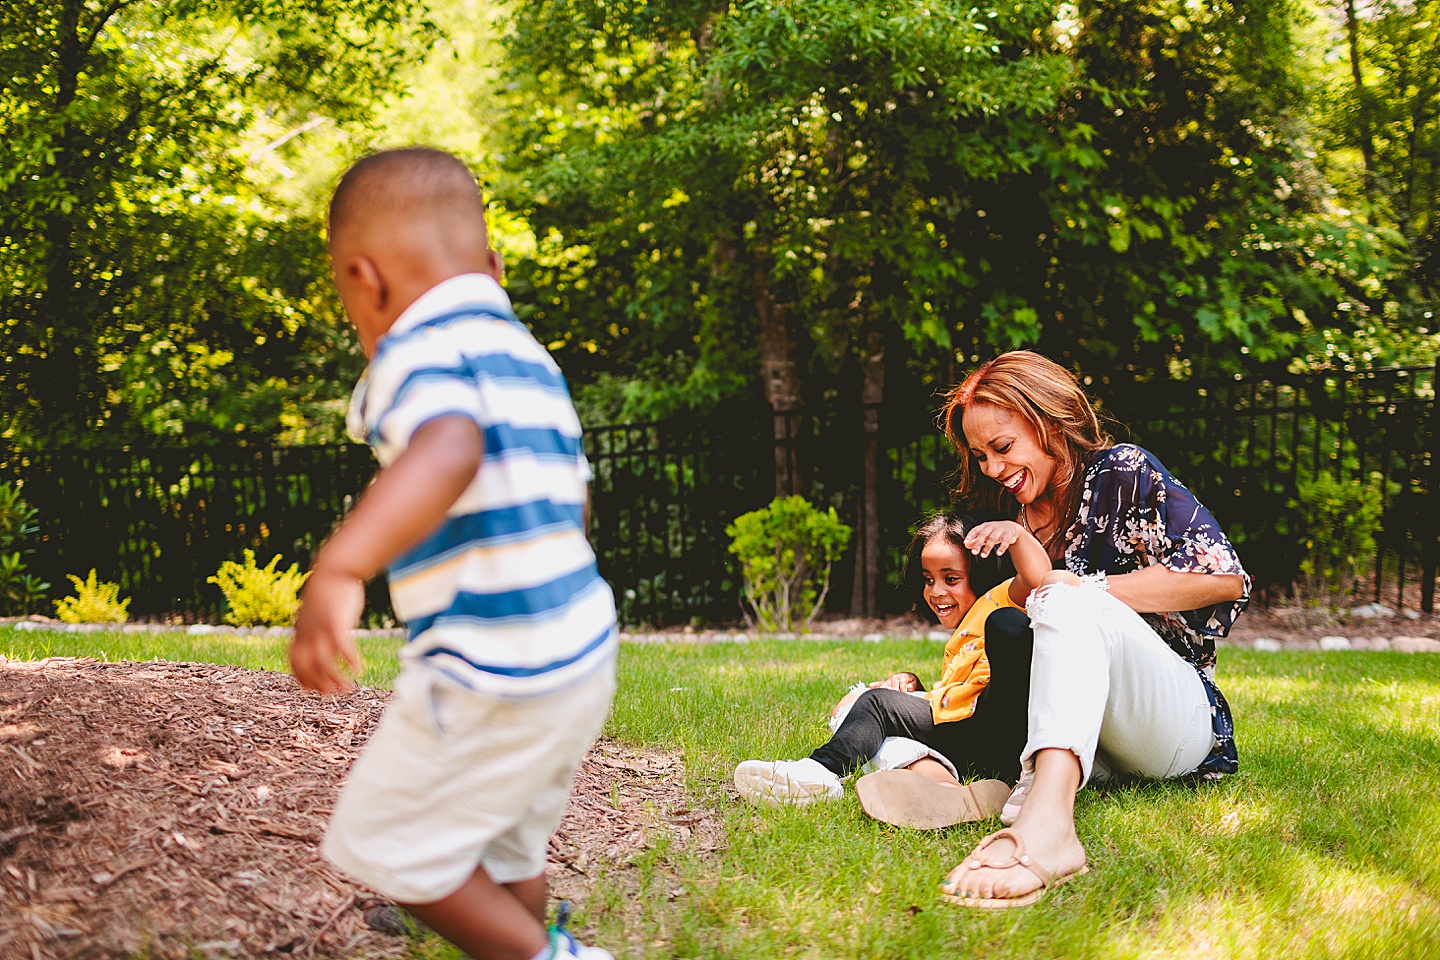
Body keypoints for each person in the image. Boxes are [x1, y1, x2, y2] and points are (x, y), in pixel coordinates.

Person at [288, 148, 618, 960]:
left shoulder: (414, 345)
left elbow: (449, 444)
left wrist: (339, 569)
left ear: (365, 282)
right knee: (510, 843)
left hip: (489, 666)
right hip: (578, 654)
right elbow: (571, 499)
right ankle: (530, 935)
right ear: (494, 268)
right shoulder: (525, 354)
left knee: (389, 847)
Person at [935, 350, 1249, 909]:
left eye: (1002, 448)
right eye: (981, 455)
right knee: (1014, 625)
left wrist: (1086, 587)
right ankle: (939, 766)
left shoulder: (1122, 472)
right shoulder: (1024, 513)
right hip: (1094, 737)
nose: (990, 468)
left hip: (1170, 725)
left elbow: (1223, 579)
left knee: (1063, 596)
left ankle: (1049, 828)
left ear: (1051, 423)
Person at [733, 511, 1051, 825]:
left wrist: (1018, 535)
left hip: (1006, 732)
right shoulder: (962, 634)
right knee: (878, 702)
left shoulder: (999, 599)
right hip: (970, 739)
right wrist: (912, 683)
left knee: (1007, 625)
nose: (936, 591)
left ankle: (822, 769)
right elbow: (956, 697)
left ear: (980, 574)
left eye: (950, 579)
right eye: (929, 580)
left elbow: (1039, 577)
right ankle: (829, 774)